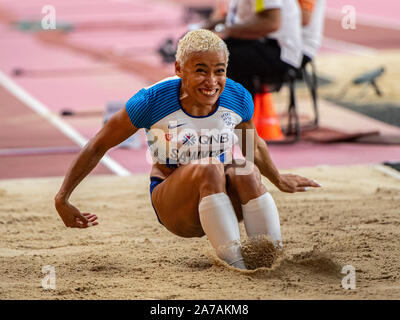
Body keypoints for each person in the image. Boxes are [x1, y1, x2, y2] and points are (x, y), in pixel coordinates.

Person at [55, 30, 321, 270]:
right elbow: (99, 144)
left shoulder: (237, 97)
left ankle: (269, 259)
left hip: (221, 200)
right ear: (179, 69)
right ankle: (236, 266)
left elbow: (254, 144)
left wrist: (278, 179)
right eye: (201, 70)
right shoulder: (150, 101)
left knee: (246, 170)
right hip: (175, 205)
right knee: (209, 166)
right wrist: (63, 197)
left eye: (219, 70)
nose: (212, 81)